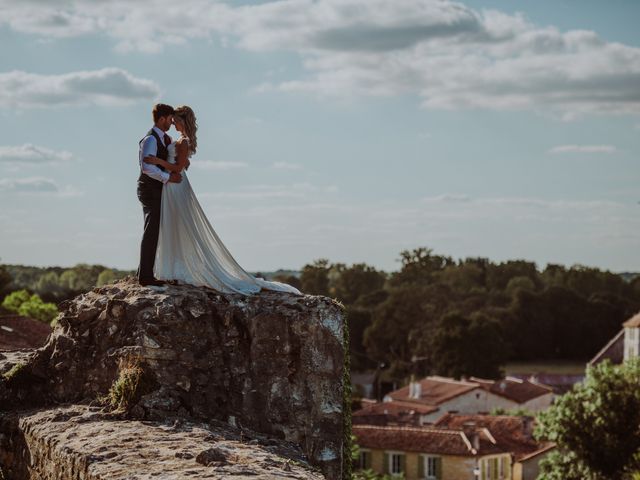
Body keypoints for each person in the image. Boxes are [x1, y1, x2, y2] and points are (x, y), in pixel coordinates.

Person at [142, 105, 302, 296]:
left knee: (181, 226)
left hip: (175, 186)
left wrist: (159, 162)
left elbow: (177, 168)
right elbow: (183, 164)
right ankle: (171, 268)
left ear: (182, 120)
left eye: (175, 120)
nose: (173, 123)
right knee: (172, 226)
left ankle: (177, 269)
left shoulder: (183, 141)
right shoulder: (175, 140)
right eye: (171, 120)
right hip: (170, 186)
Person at [137, 103, 183, 287]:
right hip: (149, 189)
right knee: (151, 231)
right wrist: (168, 178)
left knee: (154, 231)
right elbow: (147, 168)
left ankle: (144, 272)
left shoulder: (165, 139)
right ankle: (145, 277)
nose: (172, 123)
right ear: (162, 118)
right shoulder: (150, 139)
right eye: (170, 119)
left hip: (158, 189)